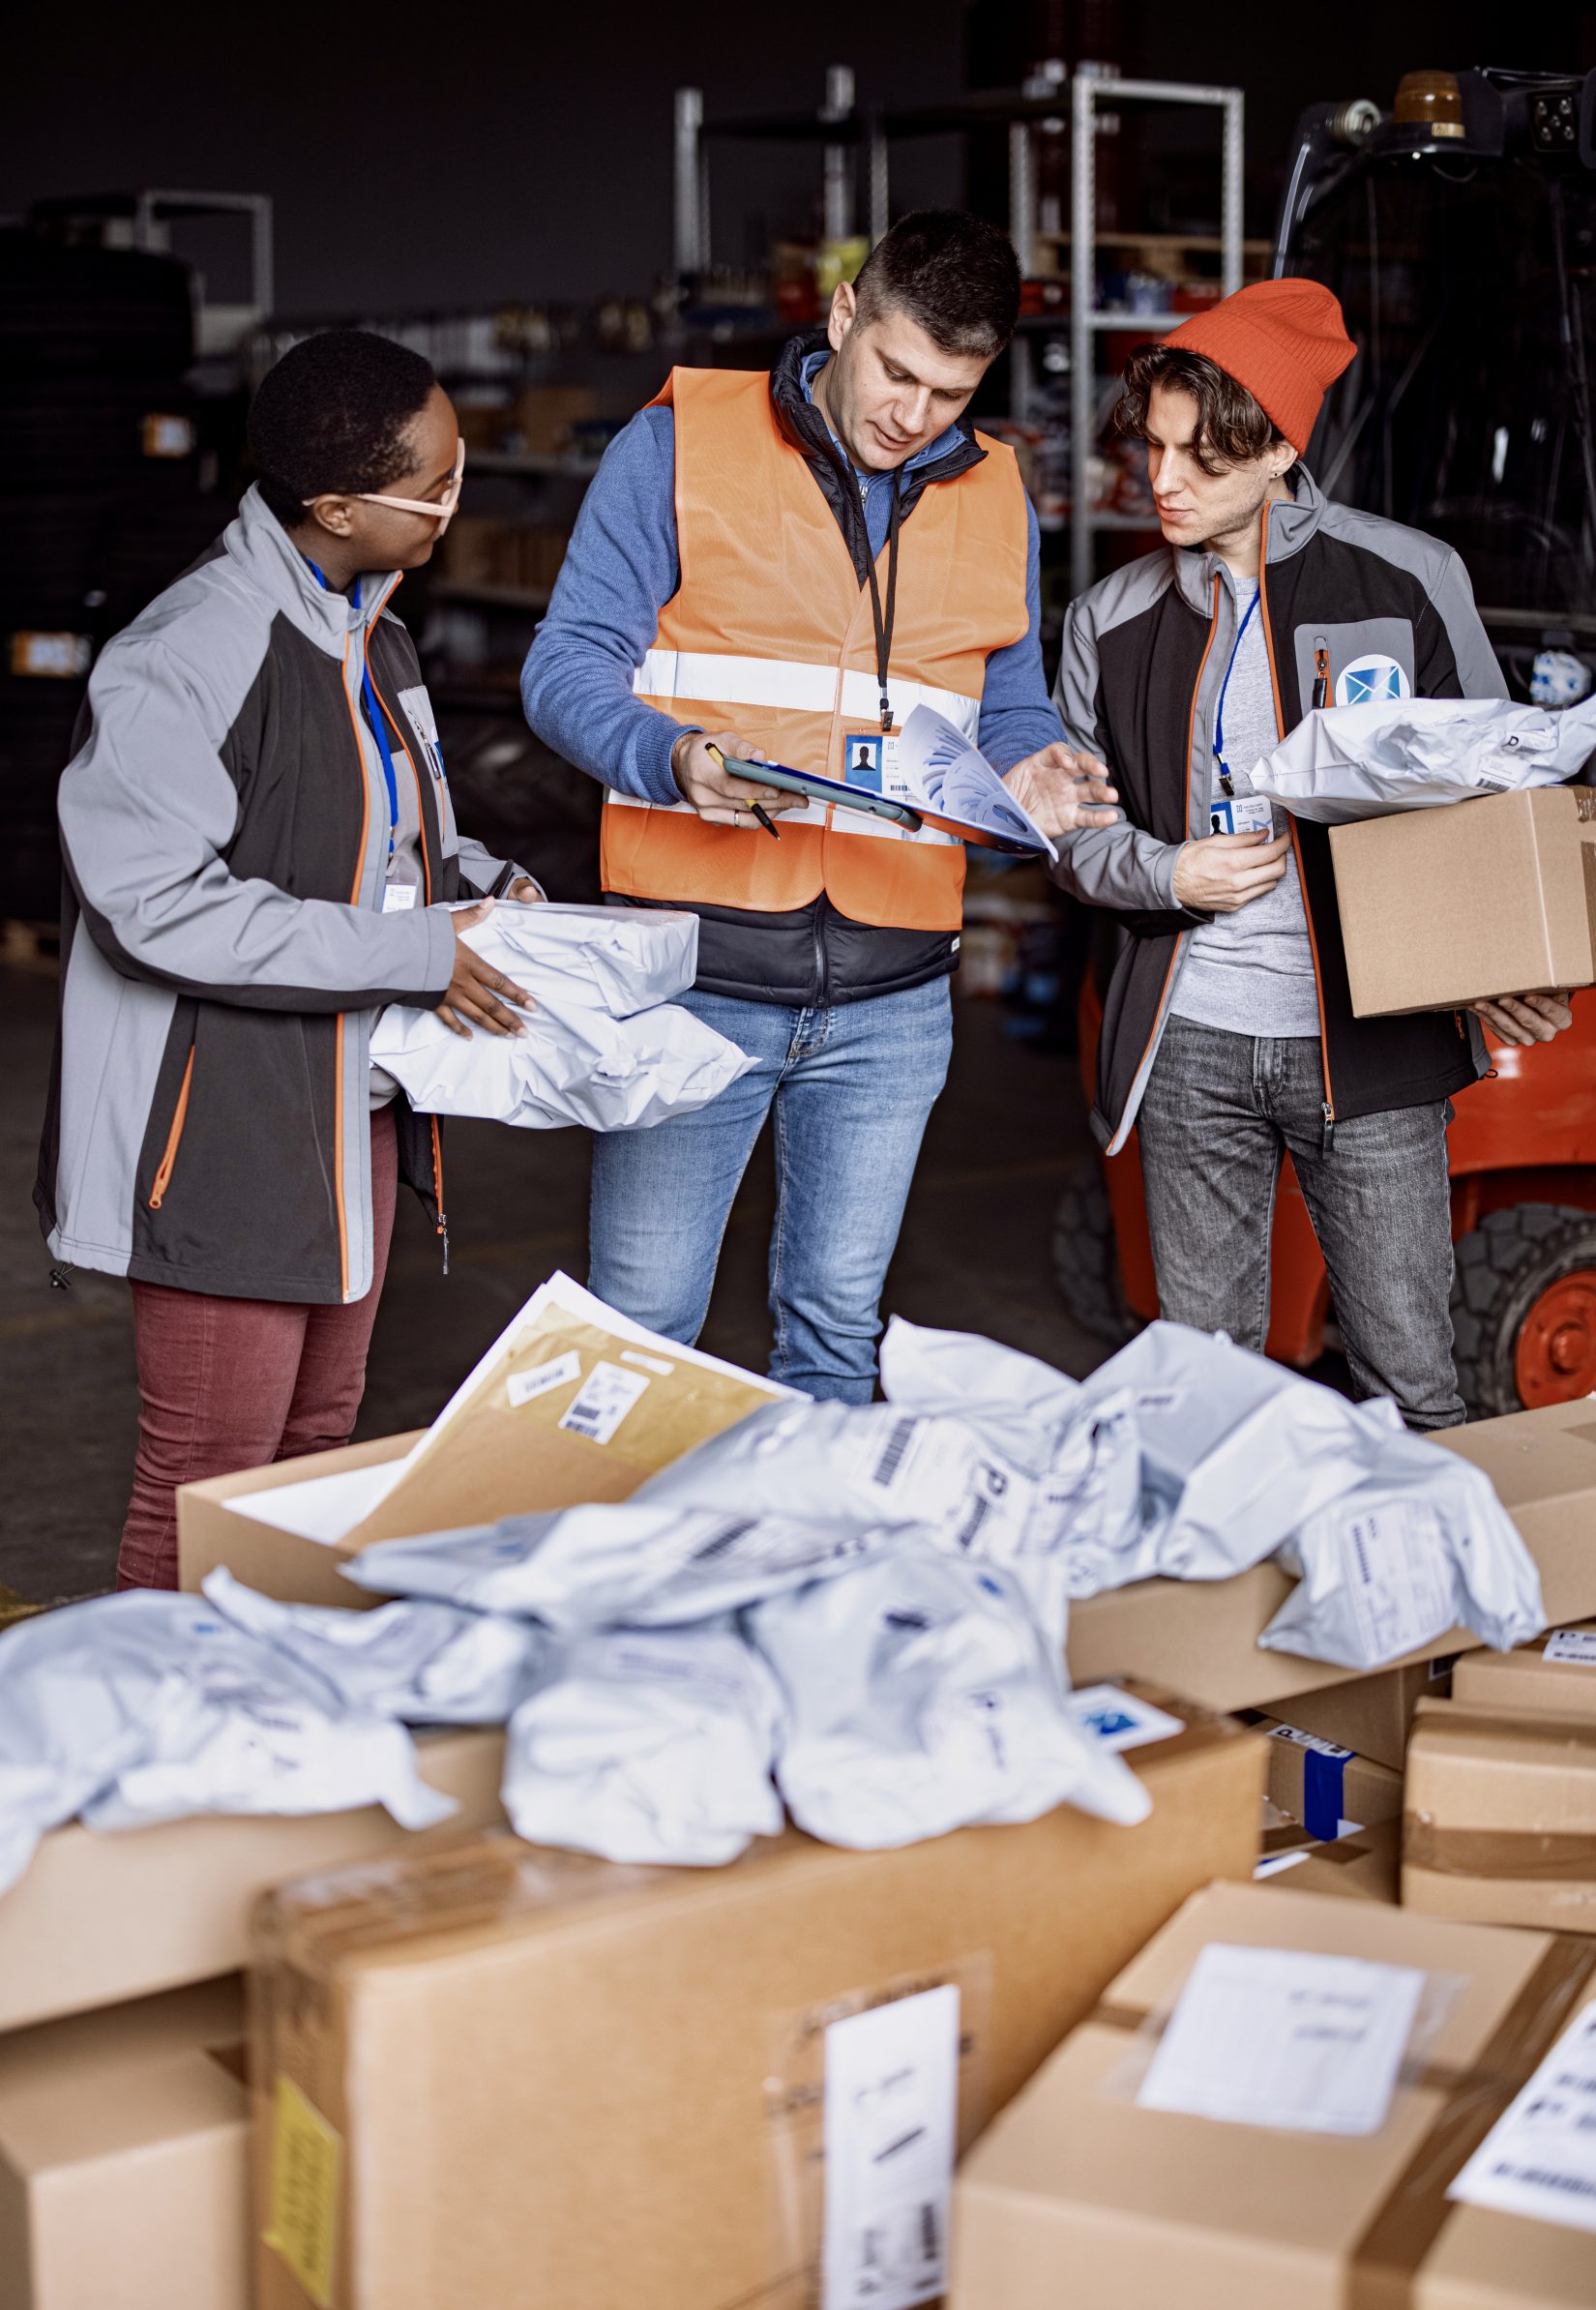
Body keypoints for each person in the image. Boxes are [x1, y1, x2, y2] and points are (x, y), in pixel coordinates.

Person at [522, 209, 1112, 1401]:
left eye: (950, 392)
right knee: (638, 1333)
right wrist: (672, 756)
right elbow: (566, 664)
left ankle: (815, 1580)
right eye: (896, 370)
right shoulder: (680, 443)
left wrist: (1037, 759)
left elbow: (1002, 703)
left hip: (893, 999)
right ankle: (612, 1584)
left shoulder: (997, 493)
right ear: (844, 315)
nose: (913, 414)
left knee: (840, 1334)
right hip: (694, 977)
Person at [36, 328, 543, 1588]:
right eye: (433, 482)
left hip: (345, 1104)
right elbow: (153, 907)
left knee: (314, 1451)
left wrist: (481, 892)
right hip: (219, 1130)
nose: (452, 497)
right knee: (210, 1476)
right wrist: (409, 949)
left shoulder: (376, 634)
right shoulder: (186, 654)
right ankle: (157, 1762)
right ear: (334, 507)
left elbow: (392, 836)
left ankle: (265, 1737)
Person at [1051, 279, 1571, 1429]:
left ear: (1281, 449)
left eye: (1200, 457)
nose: (1163, 482)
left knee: (1410, 1378)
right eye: (1153, 447)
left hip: (1372, 1048)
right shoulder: (1108, 619)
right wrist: (1164, 873)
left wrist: (1508, 956)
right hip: (1186, 1049)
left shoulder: (1407, 579)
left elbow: (1497, 787)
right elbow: (1071, 836)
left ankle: (1424, 1606)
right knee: (1206, 1388)